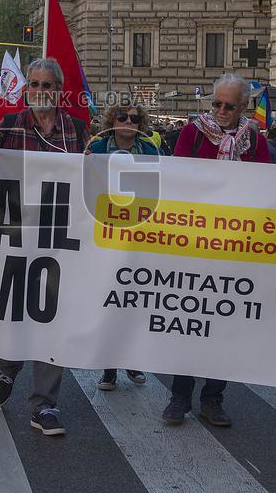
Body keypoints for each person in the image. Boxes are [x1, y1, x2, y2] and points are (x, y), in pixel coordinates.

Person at [0, 57, 89, 437]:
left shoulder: (78, 130)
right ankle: (7, 368)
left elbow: (88, 177)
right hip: (15, 236)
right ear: (26, 89)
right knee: (15, 313)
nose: (40, 91)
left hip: (60, 241)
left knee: (52, 317)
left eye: (47, 85)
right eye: (34, 84)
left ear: (59, 90)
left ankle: (44, 405)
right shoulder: (11, 125)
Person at [163, 73, 270, 429]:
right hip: (193, 242)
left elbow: (271, 184)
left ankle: (213, 398)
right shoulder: (193, 133)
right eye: (216, 104)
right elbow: (175, 177)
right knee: (189, 321)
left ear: (243, 107)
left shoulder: (254, 138)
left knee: (223, 323)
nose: (221, 111)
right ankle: (180, 396)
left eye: (229, 106)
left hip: (235, 245)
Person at [87, 103, 156, 392]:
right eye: (122, 116)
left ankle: (133, 359)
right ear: (112, 120)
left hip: (139, 234)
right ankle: (109, 368)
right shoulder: (98, 146)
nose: (128, 121)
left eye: (135, 118)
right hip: (104, 233)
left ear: (141, 123)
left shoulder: (151, 150)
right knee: (109, 301)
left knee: (134, 302)